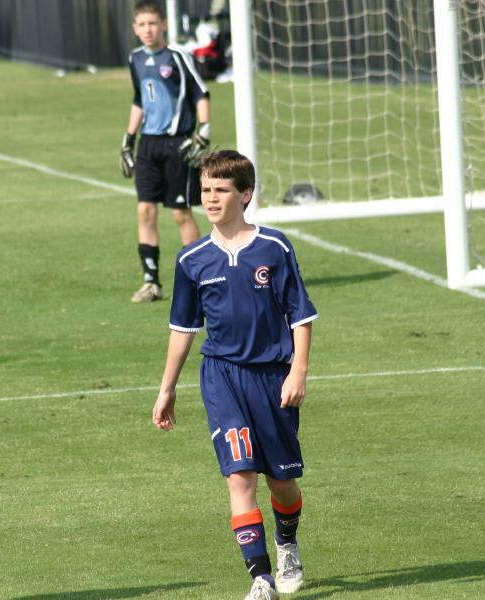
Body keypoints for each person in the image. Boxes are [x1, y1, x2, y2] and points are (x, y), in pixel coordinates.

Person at [152, 151, 317, 600]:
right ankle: (260, 578)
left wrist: (298, 372)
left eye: (221, 190)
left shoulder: (274, 247)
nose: (210, 198)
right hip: (222, 378)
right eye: (205, 189)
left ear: (245, 194)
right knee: (239, 477)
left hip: (273, 377)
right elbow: (182, 329)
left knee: (280, 482)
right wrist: (166, 390)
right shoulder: (192, 260)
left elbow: (300, 316)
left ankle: (287, 543)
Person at [120, 0, 211, 303]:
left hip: (178, 144)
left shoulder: (178, 56)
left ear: (163, 25)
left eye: (152, 24)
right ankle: (151, 281)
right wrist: (128, 139)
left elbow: (200, 92)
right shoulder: (135, 59)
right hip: (148, 144)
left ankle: (202, 281)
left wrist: (204, 129)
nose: (148, 30)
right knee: (144, 210)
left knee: (180, 214)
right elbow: (139, 99)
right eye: (142, 25)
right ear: (135, 28)